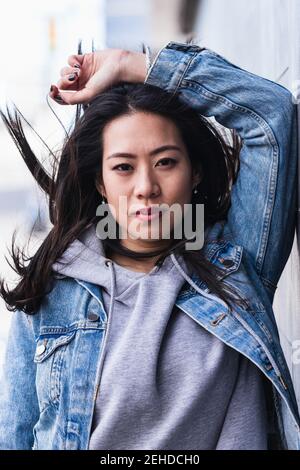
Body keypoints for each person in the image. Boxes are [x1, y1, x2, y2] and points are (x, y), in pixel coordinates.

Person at [0, 40, 299, 450]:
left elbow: (272, 114)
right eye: (124, 167)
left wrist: (131, 66)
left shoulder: (236, 261)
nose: (146, 188)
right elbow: (14, 435)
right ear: (101, 184)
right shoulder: (53, 290)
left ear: (194, 172)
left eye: (166, 162)